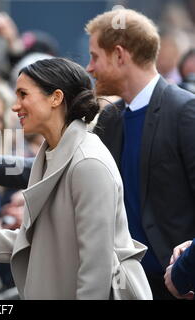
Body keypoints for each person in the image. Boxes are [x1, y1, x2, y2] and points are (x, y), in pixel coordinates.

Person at [0, 58, 150, 300]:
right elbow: (43, 242)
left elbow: (96, 270)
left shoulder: (88, 164)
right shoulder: (54, 153)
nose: (15, 106)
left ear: (55, 98)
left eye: (23, 95)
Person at [86, 9, 195, 299]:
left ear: (120, 55)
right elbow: (70, 168)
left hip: (176, 287)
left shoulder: (184, 110)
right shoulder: (111, 118)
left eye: (95, 56)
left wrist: (187, 269)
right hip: (120, 284)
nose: (89, 68)